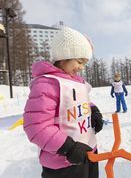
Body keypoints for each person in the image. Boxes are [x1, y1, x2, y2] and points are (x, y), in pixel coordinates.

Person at [23, 26, 103, 178]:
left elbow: (82, 101)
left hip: (88, 153)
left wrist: (94, 111)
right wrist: (68, 147)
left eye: (84, 63)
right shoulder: (47, 84)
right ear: (64, 56)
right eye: (79, 61)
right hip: (63, 163)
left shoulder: (78, 82)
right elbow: (36, 126)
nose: (82, 67)